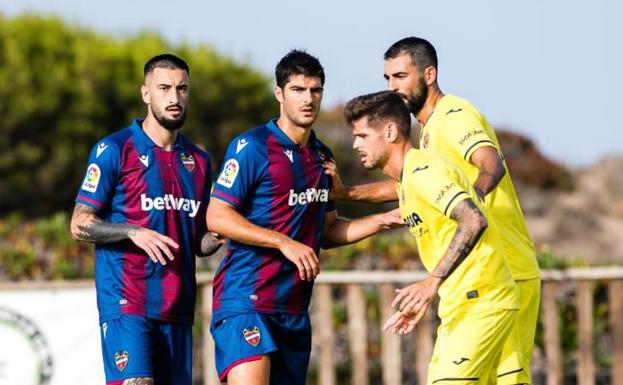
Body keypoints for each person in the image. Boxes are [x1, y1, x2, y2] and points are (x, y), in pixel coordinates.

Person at [327, 37, 541, 384]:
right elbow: (413, 187)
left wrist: (465, 208)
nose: (392, 87)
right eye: (387, 79)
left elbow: (492, 166)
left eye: (400, 76)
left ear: (429, 74)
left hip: (505, 268)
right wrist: (347, 193)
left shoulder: (454, 116)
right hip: (471, 276)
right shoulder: (424, 138)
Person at [206, 50, 402, 385]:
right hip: (246, 302)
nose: (308, 99)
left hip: (293, 309)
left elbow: (326, 232)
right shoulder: (252, 147)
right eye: (298, 89)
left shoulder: (321, 156)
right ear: (279, 94)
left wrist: (385, 220)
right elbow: (217, 216)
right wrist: (285, 244)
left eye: (315, 90)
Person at [342, 90, 519, 385]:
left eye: (362, 135)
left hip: (482, 302)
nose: (355, 144)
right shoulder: (408, 182)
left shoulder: (424, 171)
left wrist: (431, 282)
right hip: (461, 306)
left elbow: (474, 219)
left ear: (389, 131)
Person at [70, 54, 219, 385]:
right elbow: (79, 224)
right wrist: (133, 232)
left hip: (177, 309)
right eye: (164, 88)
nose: (174, 97)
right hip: (127, 303)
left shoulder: (198, 160)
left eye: (182, 89)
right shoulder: (114, 149)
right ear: (145, 93)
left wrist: (223, 233)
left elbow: (198, 242)